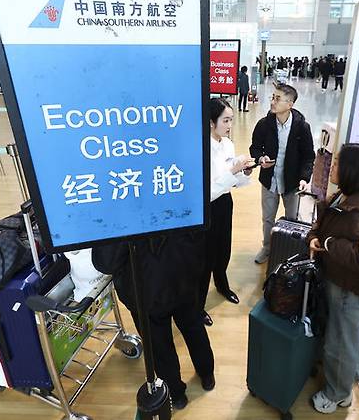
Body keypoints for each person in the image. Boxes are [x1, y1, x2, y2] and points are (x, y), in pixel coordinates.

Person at [307, 144, 359, 413]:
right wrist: (316, 237)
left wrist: (329, 243)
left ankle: (338, 394)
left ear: (353, 171)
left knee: (340, 344)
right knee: (335, 337)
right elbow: (325, 224)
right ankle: (336, 383)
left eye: (338, 162)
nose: (332, 165)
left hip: (349, 289)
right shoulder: (346, 197)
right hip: (337, 280)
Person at [91, 233, 215, 410]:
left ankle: (176, 393)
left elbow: (106, 262)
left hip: (145, 290)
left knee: (159, 347)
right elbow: (200, 231)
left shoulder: (116, 211)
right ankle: (206, 373)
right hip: (182, 274)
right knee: (193, 327)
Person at [201, 98, 254, 326]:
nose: (230, 124)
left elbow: (235, 182)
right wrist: (233, 170)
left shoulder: (227, 144)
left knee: (224, 248)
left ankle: (222, 285)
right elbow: (207, 191)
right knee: (204, 257)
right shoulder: (202, 147)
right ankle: (197, 304)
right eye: (226, 120)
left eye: (231, 120)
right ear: (212, 122)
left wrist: (245, 172)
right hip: (208, 207)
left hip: (224, 203)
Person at [249, 83, 315, 264]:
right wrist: (260, 158)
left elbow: (309, 156)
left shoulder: (302, 127)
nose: (273, 101)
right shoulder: (264, 124)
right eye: (273, 97)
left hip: (292, 182)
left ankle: (289, 250)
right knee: (268, 219)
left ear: (290, 104)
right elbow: (254, 148)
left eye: (278, 99)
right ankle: (267, 248)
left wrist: (304, 177)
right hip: (269, 180)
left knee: (291, 219)